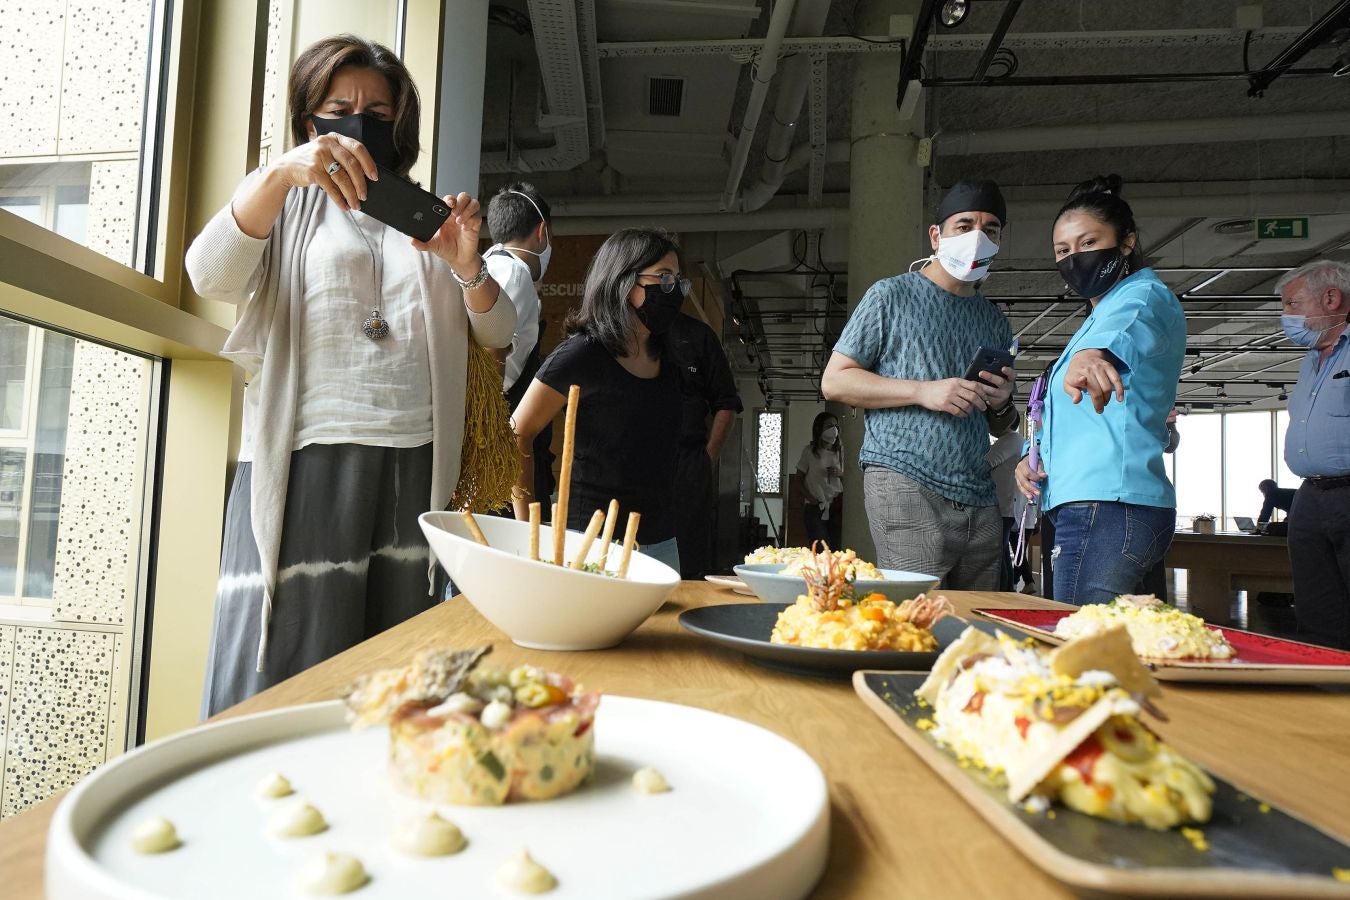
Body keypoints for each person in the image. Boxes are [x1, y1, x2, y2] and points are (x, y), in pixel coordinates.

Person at [185, 35, 515, 716]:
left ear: (400, 124)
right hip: (308, 455)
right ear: (311, 123)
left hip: (414, 459)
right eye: (340, 107)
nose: (360, 120)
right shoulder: (284, 205)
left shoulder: (423, 215)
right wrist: (279, 175)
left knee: (396, 665)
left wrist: (464, 263)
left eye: (379, 109)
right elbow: (208, 275)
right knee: (286, 665)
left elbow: (498, 330)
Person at [822, 180, 1018, 589]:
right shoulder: (890, 296)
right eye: (964, 226)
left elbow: (1000, 426)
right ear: (936, 236)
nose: (978, 238)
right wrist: (923, 391)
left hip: (978, 490)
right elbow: (835, 381)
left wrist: (1002, 404)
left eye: (991, 230)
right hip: (904, 478)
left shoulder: (994, 320)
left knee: (977, 625)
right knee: (916, 618)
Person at [1015, 176, 1185, 606]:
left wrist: (1090, 355)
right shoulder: (1093, 319)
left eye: (1088, 242)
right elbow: (1082, 417)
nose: (1075, 258)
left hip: (1110, 506)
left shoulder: (1142, 296)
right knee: (1110, 646)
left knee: (1079, 645)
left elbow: (1119, 334)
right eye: (1063, 251)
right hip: (1085, 503)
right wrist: (1032, 459)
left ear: (1126, 243)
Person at [510, 229, 686, 571]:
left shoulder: (670, 360)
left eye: (678, 281)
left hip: (662, 542)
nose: (674, 290)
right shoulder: (582, 354)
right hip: (592, 542)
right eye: (663, 278)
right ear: (623, 280)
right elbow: (517, 434)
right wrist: (525, 530)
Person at [1274, 259, 1350, 648]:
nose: (1285, 316)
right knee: (1317, 609)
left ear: (1332, 297)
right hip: (1311, 496)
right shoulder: (1311, 361)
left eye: (1292, 304)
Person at [485, 182, 556, 504]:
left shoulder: (486, 265)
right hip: (498, 436)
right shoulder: (514, 274)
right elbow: (494, 354)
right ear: (541, 232)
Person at [668, 311, 742, 579]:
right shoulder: (620, 331)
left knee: (688, 561)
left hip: (688, 464)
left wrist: (706, 460)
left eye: (674, 278)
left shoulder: (698, 336)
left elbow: (727, 403)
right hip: (633, 465)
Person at [795, 412, 845, 551]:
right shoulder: (810, 451)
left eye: (836, 426)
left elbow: (849, 480)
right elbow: (798, 480)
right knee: (820, 549)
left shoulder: (840, 452)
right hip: (815, 507)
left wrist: (841, 474)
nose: (834, 429)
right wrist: (810, 498)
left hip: (836, 507)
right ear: (819, 429)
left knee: (836, 549)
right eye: (829, 426)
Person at [986, 429, 1022, 591]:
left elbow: (986, 462)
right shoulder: (1017, 441)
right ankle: (1008, 591)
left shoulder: (1011, 439)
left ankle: (1004, 591)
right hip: (1006, 506)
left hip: (1001, 506)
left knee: (997, 554)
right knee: (1003, 553)